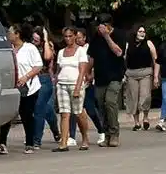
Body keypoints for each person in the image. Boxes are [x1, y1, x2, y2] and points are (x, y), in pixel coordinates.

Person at [4, 26, 45, 154]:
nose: (7, 35)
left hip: (28, 87)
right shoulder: (7, 49)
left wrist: (26, 77)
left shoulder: (30, 48)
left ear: (17, 34)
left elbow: (38, 66)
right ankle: (1, 143)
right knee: (7, 114)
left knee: (26, 114)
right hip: (11, 86)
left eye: (10, 32)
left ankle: (29, 143)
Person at [53, 26, 93, 151]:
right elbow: (59, 69)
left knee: (78, 113)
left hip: (75, 84)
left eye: (70, 36)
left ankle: (85, 137)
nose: (68, 38)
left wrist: (77, 88)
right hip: (62, 84)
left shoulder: (81, 51)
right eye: (66, 36)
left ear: (75, 36)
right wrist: (56, 81)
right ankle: (64, 143)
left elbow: (82, 71)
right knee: (64, 113)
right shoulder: (61, 52)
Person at [90, 15, 127, 147]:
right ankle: (106, 134)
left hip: (115, 76)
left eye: (100, 26)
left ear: (107, 25)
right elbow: (92, 56)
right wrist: (89, 73)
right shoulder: (95, 37)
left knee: (110, 102)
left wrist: (107, 36)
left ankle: (114, 133)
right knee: (101, 105)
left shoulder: (119, 35)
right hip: (100, 76)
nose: (98, 29)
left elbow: (118, 52)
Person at [124, 25, 157, 131]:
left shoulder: (149, 43)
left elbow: (155, 59)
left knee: (145, 96)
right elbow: (123, 58)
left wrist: (156, 76)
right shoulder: (128, 44)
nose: (142, 33)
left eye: (144, 31)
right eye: (140, 31)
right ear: (135, 32)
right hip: (131, 74)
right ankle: (136, 122)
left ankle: (146, 118)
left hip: (146, 73)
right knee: (133, 98)